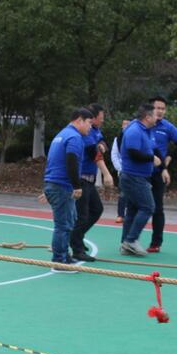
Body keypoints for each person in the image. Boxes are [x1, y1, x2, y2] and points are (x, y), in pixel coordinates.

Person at [42, 108, 93, 270]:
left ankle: (64, 255)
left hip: (54, 183)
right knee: (63, 224)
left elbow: (53, 161)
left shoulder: (62, 134)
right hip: (61, 185)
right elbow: (71, 161)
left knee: (68, 221)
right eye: (89, 123)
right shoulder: (74, 137)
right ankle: (59, 259)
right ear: (79, 120)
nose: (90, 127)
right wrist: (76, 186)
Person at [71, 104, 114, 262]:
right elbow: (94, 153)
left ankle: (76, 237)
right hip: (82, 178)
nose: (102, 120)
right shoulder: (85, 133)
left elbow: (102, 143)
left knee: (96, 209)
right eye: (101, 118)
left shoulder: (95, 130)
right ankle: (76, 248)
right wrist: (106, 173)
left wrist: (101, 145)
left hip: (89, 178)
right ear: (92, 119)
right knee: (81, 215)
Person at [144, 96, 177, 252]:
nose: (160, 111)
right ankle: (129, 240)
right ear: (151, 109)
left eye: (163, 108)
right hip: (141, 172)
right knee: (137, 206)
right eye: (157, 108)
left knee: (157, 208)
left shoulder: (168, 127)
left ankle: (156, 243)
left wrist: (168, 160)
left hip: (158, 173)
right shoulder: (143, 125)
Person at [118, 104, 161, 257]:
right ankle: (131, 240)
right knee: (148, 207)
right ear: (148, 117)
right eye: (155, 114)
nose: (158, 117)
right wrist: (151, 158)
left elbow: (151, 148)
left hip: (138, 176)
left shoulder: (146, 130)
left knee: (132, 210)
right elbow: (133, 152)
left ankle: (125, 244)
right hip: (133, 177)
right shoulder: (135, 130)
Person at [110, 118, 131, 224]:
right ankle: (120, 214)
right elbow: (114, 155)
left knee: (134, 193)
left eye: (128, 124)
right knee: (123, 193)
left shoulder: (134, 137)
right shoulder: (117, 139)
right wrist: (120, 168)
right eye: (124, 124)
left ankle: (130, 215)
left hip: (134, 170)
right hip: (123, 170)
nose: (126, 126)